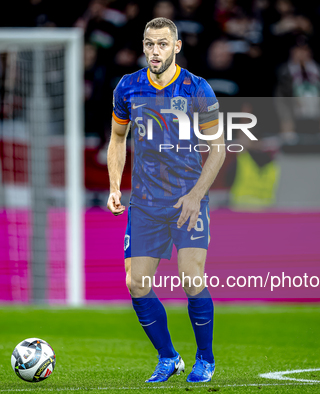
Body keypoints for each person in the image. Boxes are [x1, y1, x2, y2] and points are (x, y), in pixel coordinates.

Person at [106, 17, 225, 383]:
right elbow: (117, 138)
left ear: (176, 47)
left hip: (187, 200)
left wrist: (196, 196)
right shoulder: (128, 88)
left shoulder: (197, 88)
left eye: (162, 44)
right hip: (144, 203)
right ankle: (169, 357)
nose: (154, 51)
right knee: (136, 283)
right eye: (148, 44)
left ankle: (205, 359)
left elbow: (217, 149)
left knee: (191, 279)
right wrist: (114, 186)